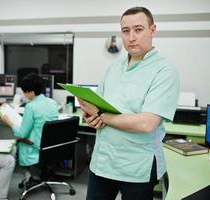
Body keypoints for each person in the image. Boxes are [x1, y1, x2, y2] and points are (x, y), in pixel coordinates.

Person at [79, 7, 180, 200]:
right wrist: (91, 117)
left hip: (137, 168)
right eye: (126, 31)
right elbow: (96, 106)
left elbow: (146, 123)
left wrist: (101, 116)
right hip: (103, 162)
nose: (131, 37)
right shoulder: (114, 68)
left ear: (153, 30)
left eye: (138, 29)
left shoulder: (164, 71)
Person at [0, 74, 58, 186]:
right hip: (51, 147)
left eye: (25, 91)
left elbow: (22, 133)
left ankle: (29, 176)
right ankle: (40, 173)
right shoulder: (52, 102)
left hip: (36, 147)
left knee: (17, 142)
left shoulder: (30, 107)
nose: (23, 94)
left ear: (31, 92)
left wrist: (8, 122)